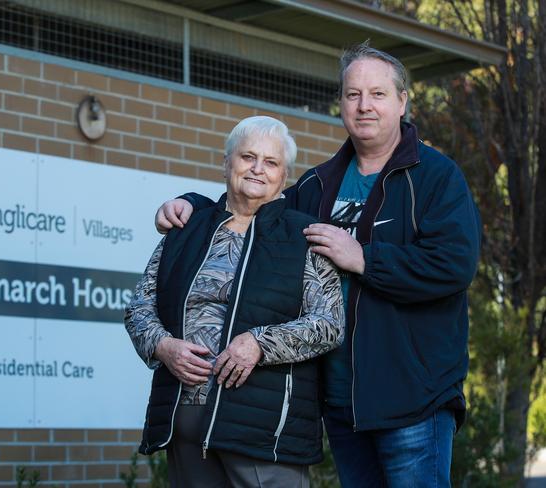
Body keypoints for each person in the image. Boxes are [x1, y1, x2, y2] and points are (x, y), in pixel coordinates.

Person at [155, 42, 481, 487]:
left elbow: (454, 265)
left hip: (413, 400)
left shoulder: (436, 178)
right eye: (352, 94)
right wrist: (188, 205)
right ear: (341, 103)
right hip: (342, 402)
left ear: (402, 101)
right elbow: (252, 208)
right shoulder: (317, 184)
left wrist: (365, 258)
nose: (364, 105)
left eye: (378, 94)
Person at [124, 116, 345, 488]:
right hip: (186, 418)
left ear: (284, 175)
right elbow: (139, 309)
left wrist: (259, 343)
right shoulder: (185, 229)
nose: (258, 169)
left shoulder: (302, 238)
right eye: (248, 157)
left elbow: (329, 323)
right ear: (227, 163)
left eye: (271, 162)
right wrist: (164, 347)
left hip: (262, 428)